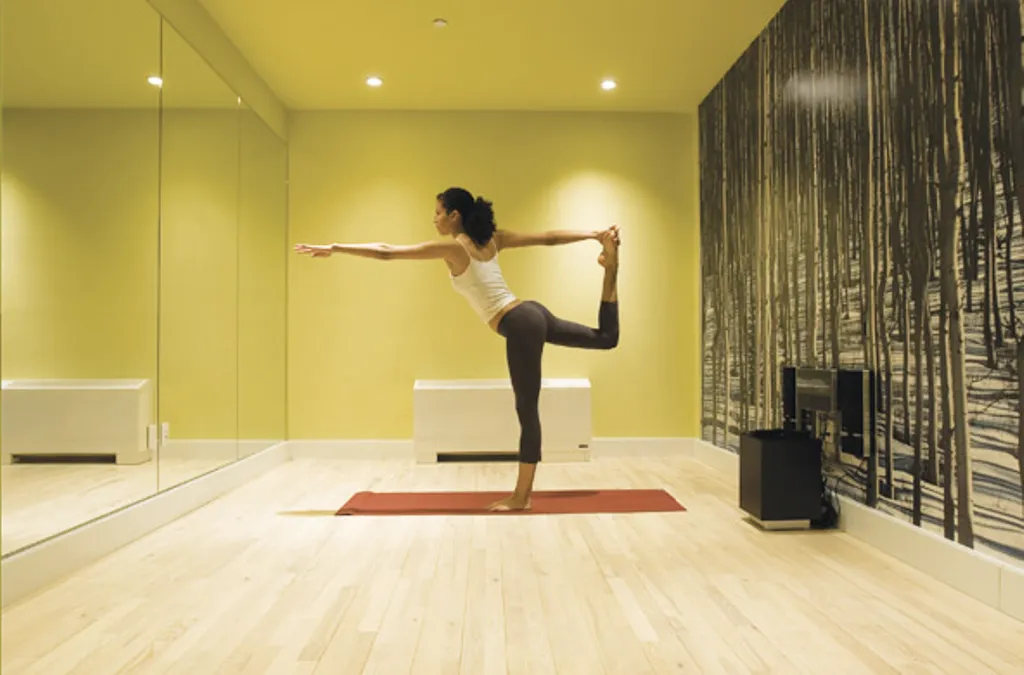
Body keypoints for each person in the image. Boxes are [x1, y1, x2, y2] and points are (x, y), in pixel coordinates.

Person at [294, 187, 620, 511]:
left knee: (527, 410)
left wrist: (335, 247)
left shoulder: (455, 250)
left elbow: (387, 252)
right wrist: (594, 234)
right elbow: (548, 237)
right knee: (605, 338)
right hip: (532, 313)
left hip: (520, 324)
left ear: (454, 216)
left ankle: (521, 497)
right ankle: (611, 269)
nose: (433, 219)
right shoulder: (493, 239)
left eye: (438, 212)